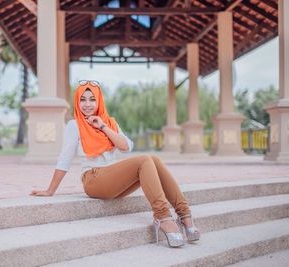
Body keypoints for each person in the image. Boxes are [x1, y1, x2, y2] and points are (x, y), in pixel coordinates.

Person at [31, 80, 200, 248]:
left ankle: (184, 214)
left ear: (99, 101)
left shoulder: (109, 122)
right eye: (82, 99)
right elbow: (65, 158)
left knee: (153, 160)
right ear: (77, 101)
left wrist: (103, 126)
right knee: (144, 160)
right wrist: (50, 190)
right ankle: (163, 217)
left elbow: (126, 146)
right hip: (93, 179)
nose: (87, 104)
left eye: (92, 99)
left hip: (113, 180)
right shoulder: (74, 125)